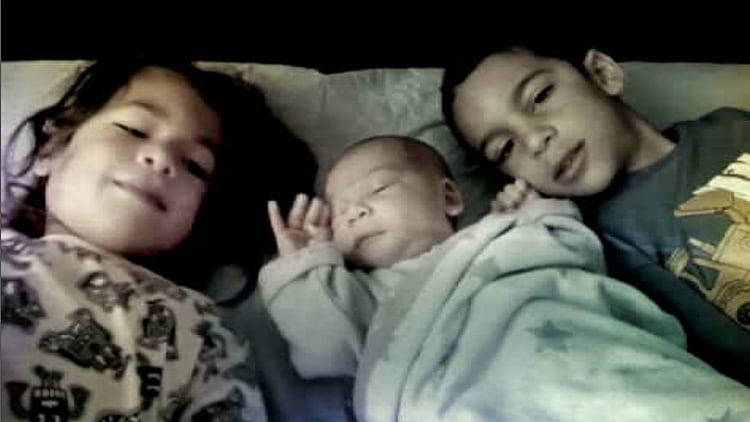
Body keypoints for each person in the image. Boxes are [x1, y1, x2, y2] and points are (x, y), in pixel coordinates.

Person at [259, 135, 750, 421]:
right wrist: (306, 266)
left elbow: (575, 259)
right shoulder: (365, 298)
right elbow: (323, 346)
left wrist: (538, 215)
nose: (355, 211)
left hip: (589, 367)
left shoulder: (502, 237)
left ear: (450, 196)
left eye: (378, 188)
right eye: (340, 212)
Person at [1, 56, 314, 421]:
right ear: (51, 148)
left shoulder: (199, 328)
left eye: (195, 166)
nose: (163, 158)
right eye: (134, 129)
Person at [440, 43, 750, 384]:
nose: (534, 141)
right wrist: (524, 228)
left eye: (539, 97)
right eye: (506, 148)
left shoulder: (730, 127)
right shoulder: (598, 246)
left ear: (603, 74)